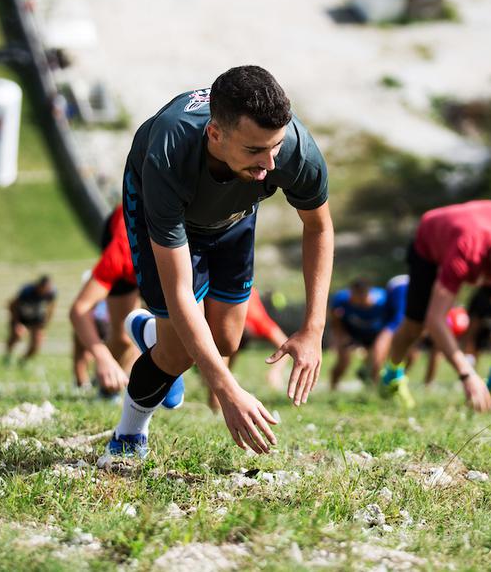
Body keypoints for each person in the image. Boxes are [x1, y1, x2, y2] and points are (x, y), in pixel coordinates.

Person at [98, 65, 333, 459]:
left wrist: (313, 328)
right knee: (178, 354)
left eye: (274, 147)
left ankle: (154, 334)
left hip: (233, 215)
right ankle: (128, 435)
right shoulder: (168, 152)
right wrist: (225, 389)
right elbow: (179, 291)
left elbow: (319, 229)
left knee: (224, 340)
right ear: (215, 133)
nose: (270, 166)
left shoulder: (293, 150)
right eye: (255, 150)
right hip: (169, 217)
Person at [380, 200, 491, 412]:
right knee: (415, 325)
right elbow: (436, 319)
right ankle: (391, 377)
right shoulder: (466, 249)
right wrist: (467, 375)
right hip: (432, 239)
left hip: (488, 233)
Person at [69, 205, 162, 400]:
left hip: (164, 252)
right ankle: (107, 386)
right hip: (123, 243)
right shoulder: (121, 253)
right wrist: (102, 357)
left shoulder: (188, 253)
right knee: (123, 338)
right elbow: (79, 309)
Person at [327, 279, 394, 390]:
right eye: (354, 297)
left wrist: (384, 339)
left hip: (376, 334)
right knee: (343, 362)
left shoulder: (383, 301)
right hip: (351, 332)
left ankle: (372, 391)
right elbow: (335, 320)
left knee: (377, 362)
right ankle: (332, 388)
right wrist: (341, 337)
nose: (357, 302)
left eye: (361, 299)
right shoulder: (342, 300)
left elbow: (394, 319)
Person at [6, 275, 58, 365]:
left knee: (36, 344)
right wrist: (16, 323)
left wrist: (45, 323)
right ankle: (8, 356)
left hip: (37, 319)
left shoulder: (51, 293)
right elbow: (12, 305)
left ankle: (23, 361)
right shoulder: (27, 291)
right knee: (17, 336)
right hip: (22, 317)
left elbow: (51, 308)